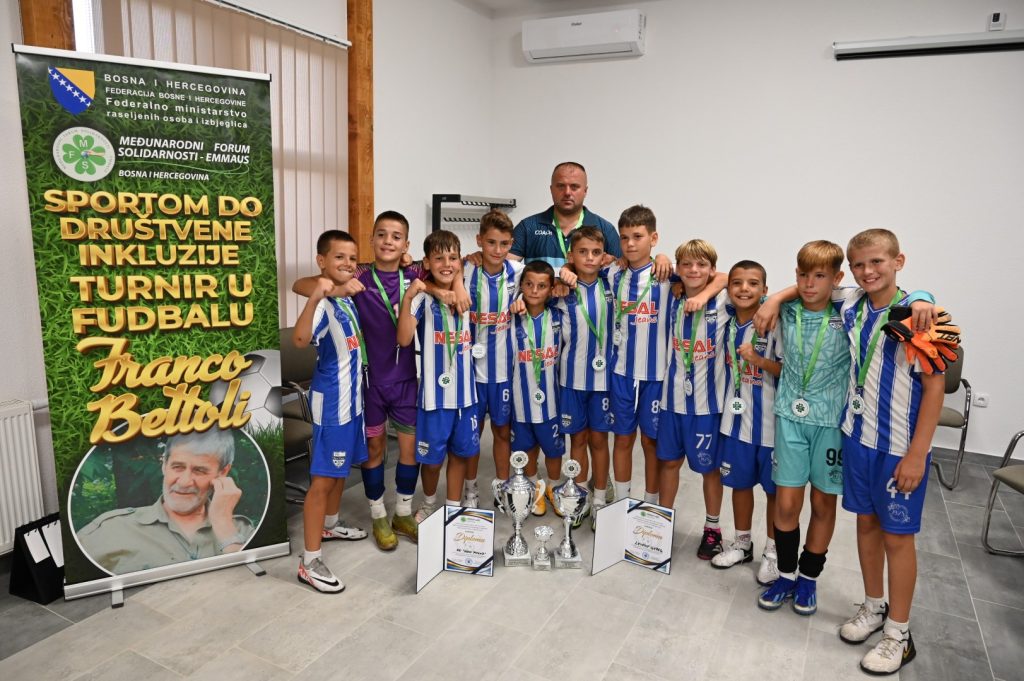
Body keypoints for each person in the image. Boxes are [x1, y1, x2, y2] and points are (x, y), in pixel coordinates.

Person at [293, 211, 464, 551]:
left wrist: (453, 286)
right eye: (382, 235)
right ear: (371, 240)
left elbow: (454, 266)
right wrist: (338, 288)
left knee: (409, 450)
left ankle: (402, 512)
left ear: (406, 244)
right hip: (369, 383)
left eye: (396, 237)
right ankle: (378, 515)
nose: (388, 241)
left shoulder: (413, 273)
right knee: (374, 449)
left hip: (405, 380)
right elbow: (300, 284)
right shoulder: (358, 273)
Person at [834, 229, 943, 675]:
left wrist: (918, 454)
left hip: (900, 449)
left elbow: (934, 390)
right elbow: (808, 286)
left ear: (899, 261)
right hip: (857, 437)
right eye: (859, 264)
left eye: (877, 261)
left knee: (897, 537)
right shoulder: (850, 304)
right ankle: (874, 606)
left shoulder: (922, 318)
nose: (867, 271)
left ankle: (899, 633)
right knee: (866, 524)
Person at [757, 241, 850, 614]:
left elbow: (895, 294)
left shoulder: (849, 310)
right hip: (790, 419)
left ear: (837, 279)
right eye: (803, 275)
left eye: (820, 276)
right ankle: (785, 574)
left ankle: (809, 577)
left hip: (830, 423)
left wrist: (922, 299)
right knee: (787, 503)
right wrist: (776, 299)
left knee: (823, 503)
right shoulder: (786, 310)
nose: (810, 284)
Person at [289, 229, 370, 592]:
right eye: (339, 257)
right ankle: (309, 562)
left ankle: (331, 525)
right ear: (322, 261)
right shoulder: (322, 302)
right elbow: (300, 339)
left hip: (353, 401)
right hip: (332, 404)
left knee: (339, 471)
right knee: (322, 479)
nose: (348, 264)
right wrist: (316, 295)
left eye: (352, 258)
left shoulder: (346, 299)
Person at [78, 427, 257, 576]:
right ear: (164, 465)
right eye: (177, 467)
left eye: (200, 471)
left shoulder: (242, 531)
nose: (185, 482)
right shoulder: (110, 529)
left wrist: (224, 525)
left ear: (222, 473)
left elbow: (256, 590)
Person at [709, 261, 782, 587]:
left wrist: (759, 360)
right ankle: (742, 543)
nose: (744, 289)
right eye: (737, 282)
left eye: (753, 283)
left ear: (765, 290)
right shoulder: (725, 318)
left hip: (771, 426)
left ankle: (772, 551)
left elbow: (788, 371)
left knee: (773, 491)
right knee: (739, 485)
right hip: (735, 422)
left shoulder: (775, 322)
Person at [656, 239, 729, 559]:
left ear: (711, 269)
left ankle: (713, 529)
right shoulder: (671, 294)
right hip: (671, 401)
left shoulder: (724, 299)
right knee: (669, 463)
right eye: (687, 264)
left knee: (709, 469)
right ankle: (662, 523)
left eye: (701, 264)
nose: (694, 270)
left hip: (707, 405)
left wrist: (704, 294)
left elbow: (729, 276)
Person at [397, 230, 478, 517]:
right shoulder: (422, 299)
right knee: (432, 461)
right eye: (439, 258)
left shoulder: (468, 294)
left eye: (453, 258)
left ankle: (453, 508)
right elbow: (404, 339)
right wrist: (409, 296)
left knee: (460, 455)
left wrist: (459, 284)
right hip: (433, 399)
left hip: (466, 397)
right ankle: (429, 503)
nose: (447, 264)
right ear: (427, 263)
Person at [553, 227, 615, 527]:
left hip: (603, 381)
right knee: (577, 439)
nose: (589, 258)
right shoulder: (561, 289)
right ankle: (578, 498)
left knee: (599, 440)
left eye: (595, 252)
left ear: (604, 256)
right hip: (572, 379)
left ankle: (600, 499)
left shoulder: (612, 283)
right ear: (571, 255)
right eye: (582, 252)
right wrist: (560, 275)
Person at [462, 210, 524, 508]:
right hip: (470, 371)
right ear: (479, 241)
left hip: (503, 371)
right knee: (473, 434)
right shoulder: (464, 269)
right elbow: (427, 270)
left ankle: (502, 488)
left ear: (511, 244)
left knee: (502, 431)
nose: (497, 250)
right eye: (491, 243)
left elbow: (553, 276)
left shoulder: (519, 272)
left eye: (504, 244)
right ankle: (470, 490)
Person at [508, 261, 567, 515]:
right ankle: (535, 488)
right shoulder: (512, 317)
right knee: (527, 447)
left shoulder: (558, 316)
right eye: (529, 284)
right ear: (521, 286)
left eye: (542, 286)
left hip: (552, 400)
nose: (534, 291)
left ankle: (553, 486)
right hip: (520, 400)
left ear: (551, 289)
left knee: (553, 449)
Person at [510, 162, 622, 270]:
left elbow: (622, 270)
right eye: (561, 186)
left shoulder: (605, 229)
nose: (567, 192)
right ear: (551, 190)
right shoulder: (528, 227)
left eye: (574, 187)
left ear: (585, 191)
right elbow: (505, 268)